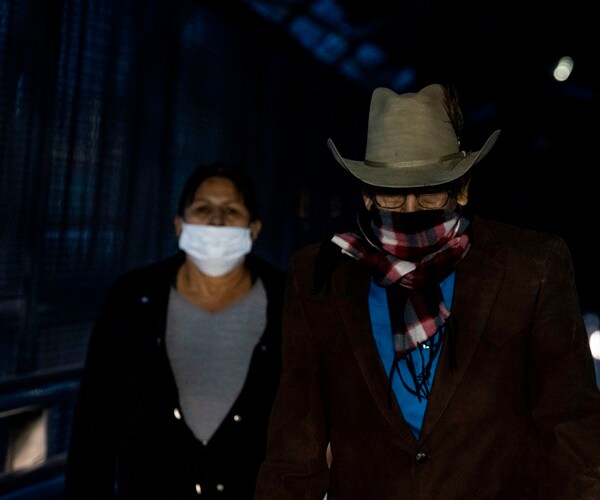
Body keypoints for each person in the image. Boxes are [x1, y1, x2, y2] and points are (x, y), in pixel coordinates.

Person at [254, 84, 600, 499]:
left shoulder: (531, 265)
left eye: (431, 188)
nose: (413, 208)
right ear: (366, 194)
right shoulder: (321, 276)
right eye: (393, 192)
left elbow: (572, 426)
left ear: (463, 187)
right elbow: (296, 442)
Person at [64, 162, 286, 499]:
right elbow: (94, 427)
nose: (216, 220)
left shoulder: (288, 304)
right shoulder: (133, 300)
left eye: (231, 211)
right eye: (203, 209)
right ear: (179, 225)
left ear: (253, 229)